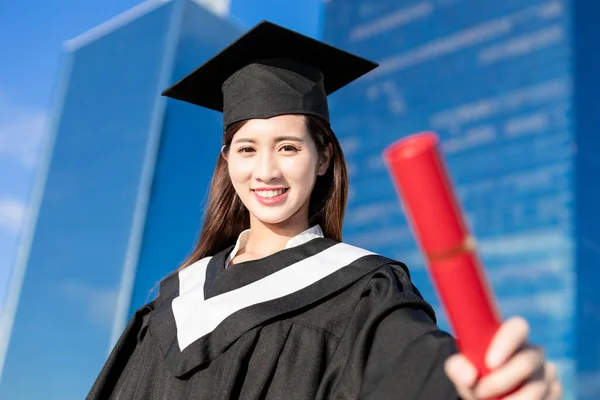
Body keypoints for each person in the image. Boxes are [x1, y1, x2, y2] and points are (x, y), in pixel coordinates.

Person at [87, 21, 562, 400]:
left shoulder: (362, 293)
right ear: (227, 159)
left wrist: (493, 385)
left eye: (289, 147)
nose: (266, 171)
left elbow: (425, 375)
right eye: (247, 149)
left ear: (324, 158)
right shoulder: (169, 303)